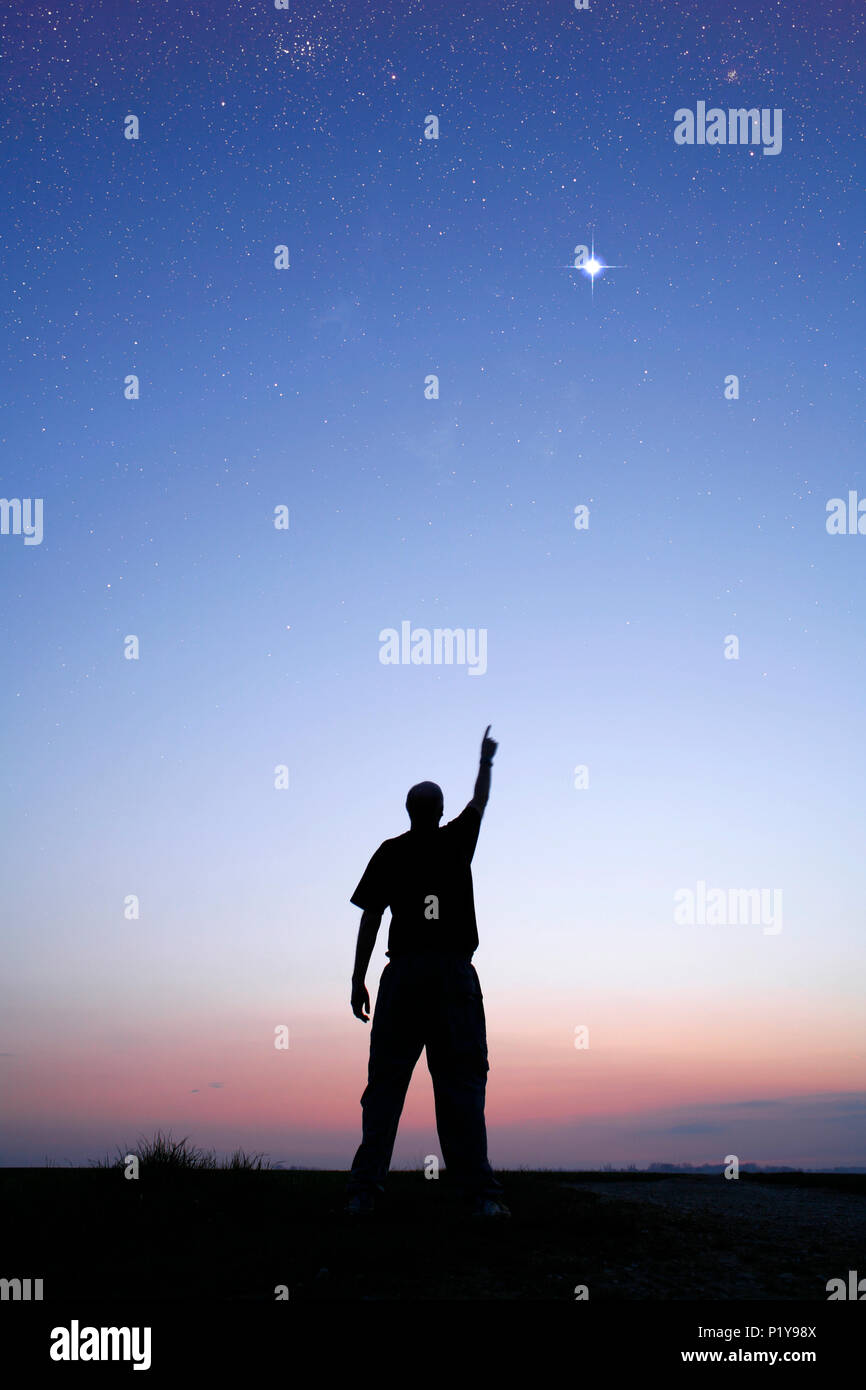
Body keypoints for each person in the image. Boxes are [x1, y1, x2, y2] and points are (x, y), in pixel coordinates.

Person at [345, 727, 509, 1218]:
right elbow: (480, 799)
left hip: (407, 978)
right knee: (459, 1086)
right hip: (449, 977)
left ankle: (364, 1191)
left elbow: (370, 917)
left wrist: (358, 979)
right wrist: (485, 760)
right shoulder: (457, 838)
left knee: (387, 1089)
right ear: (437, 812)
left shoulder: (392, 851)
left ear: (409, 811)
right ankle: (478, 1195)